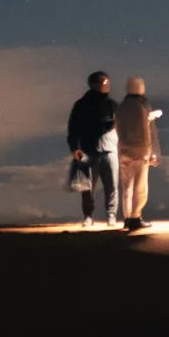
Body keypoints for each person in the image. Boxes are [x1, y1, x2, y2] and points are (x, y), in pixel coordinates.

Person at [65, 71, 119, 227]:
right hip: (89, 150)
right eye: (104, 82)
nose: (107, 85)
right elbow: (73, 128)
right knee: (87, 186)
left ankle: (111, 215)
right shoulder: (82, 105)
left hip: (110, 148)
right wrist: (75, 148)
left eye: (108, 82)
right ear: (94, 84)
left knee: (112, 184)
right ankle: (88, 216)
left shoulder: (113, 104)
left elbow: (120, 126)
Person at [114, 76, 160, 230]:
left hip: (123, 150)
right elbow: (149, 132)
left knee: (127, 186)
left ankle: (127, 217)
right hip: (141, 150)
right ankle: (135, 217)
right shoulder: (143, 106)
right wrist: (154, 152)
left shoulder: (121, 107)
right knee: (140, 186)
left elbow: (116, 128)